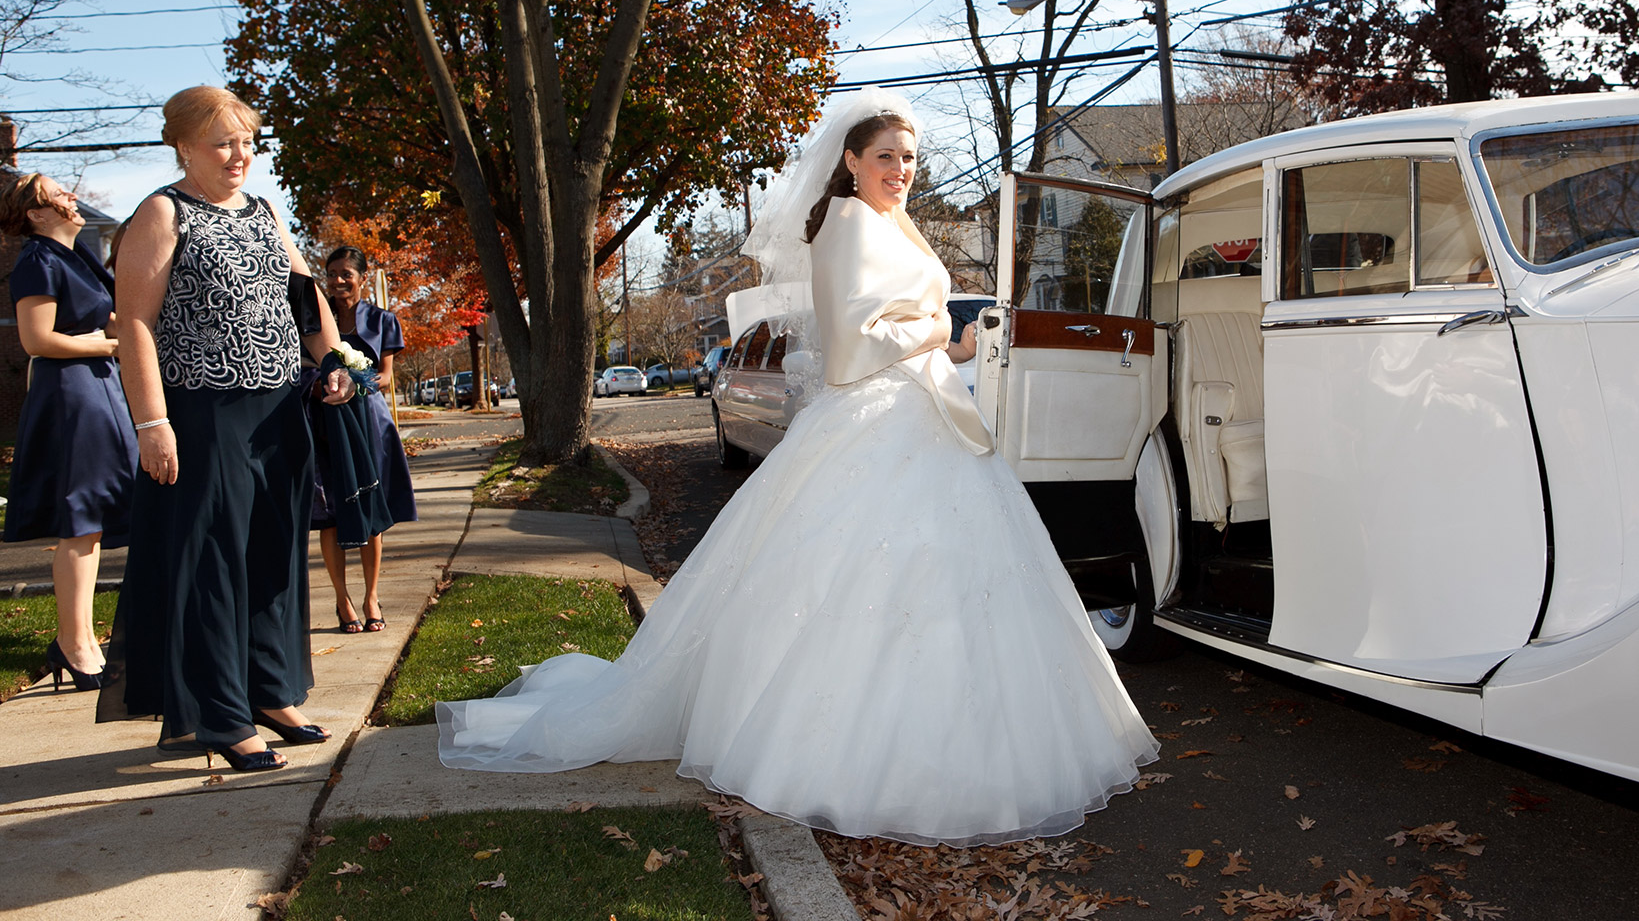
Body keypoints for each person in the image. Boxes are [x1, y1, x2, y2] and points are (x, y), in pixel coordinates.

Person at [438, 88, 1157, 846]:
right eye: (886, 156)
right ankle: (837, 756)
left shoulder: (894, 221)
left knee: (956, 585)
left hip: (930, 414)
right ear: (852, 161)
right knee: (864, 583)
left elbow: (902, 328)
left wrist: (950, 345)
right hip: (876, 420)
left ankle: (963, 748)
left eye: (909, 158)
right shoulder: (846, 221)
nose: (900, 170)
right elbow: (849, 351)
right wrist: (938, 330)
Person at [113, 85, 354, 772]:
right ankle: (220, 714)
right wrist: (151, 421)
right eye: (223, 142)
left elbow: (305, 298)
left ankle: (272, 691)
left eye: (246, 140)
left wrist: (336, 362)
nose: (238, 154)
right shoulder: (162, 212)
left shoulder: (264, 211)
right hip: (203, 413)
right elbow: (134, 322)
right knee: (215, 561)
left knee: (273, 553)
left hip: (279, 410)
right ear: (183, 145)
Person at [1, 173, 136, 691]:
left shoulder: (72, 256)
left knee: (92, 519)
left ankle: (77, 639)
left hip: (97, 388)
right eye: (59, 194)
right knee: (80, 518)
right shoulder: (37, 259)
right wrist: (107, 347)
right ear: (36, 214)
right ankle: (75, 644)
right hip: (72, 393)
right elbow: (38, 339)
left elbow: (113, 320)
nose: (72, 197)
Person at [312, 245, 415, 634]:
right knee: (330, 514)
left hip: (368, 417)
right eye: (332, 273)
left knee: (370, 512)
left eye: (346, 274)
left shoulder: (382, 319)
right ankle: (342, 599)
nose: (338, 281)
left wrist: (356, 381)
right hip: (325, 419)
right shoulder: (316, 321)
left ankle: (372, 596)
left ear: (362, 277)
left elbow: (386, 376)